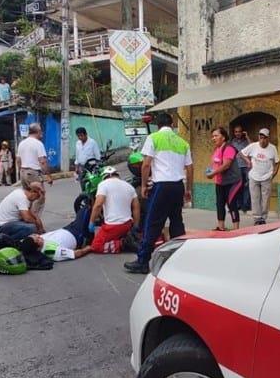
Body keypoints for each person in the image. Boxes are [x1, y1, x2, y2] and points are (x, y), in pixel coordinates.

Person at [125, 112, 193, 274]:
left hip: (161, 186)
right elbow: (190, 168)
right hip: (178, 187)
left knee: (152, 222)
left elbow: (146, 165)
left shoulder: (154, 138)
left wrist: (143, 185)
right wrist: (188, 189)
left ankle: (143, 261)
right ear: (171, 124)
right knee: (176, 222)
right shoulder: (183, 142)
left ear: (158, 125)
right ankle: (180, 257)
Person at [88, 166, 140, 254]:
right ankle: (126, 239)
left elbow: (98, 205)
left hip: (113, 226)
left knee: (96, 246)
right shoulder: (129, 186)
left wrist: (91, 222)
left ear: (104, 177)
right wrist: (135, 226)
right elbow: (136, 207)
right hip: (127, 225)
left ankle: (123, 244)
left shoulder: (103, 185)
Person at [18, 206, 93, 261]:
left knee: (80, 209)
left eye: (35, 236)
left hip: (66, 229)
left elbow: (22, 243)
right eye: (38, 239)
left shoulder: (28, 243)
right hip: (76, 234)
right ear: (38, 248)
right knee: (86, 209)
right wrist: (88, 248)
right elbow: (75, 254)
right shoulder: (51, 251)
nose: (38, 236)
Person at [240, 128, 280, 225]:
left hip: (266, 177)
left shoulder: (272, 148)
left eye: (265, 138)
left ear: (268, 138)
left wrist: (273, 174)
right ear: (259, 137)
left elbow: (277, 162)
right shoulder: (253, 146)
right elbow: (241, 153)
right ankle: (257, 218)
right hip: (254, 176)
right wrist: (248, 161)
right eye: (260, 137)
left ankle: (263, 218)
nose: (262, 140)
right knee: (255, 198)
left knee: (265, 199)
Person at [206, 127, 243, 231]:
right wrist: (209, 171)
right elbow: (214, 163)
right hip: (220, 181)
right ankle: (221, 227)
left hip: (232, 182)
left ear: (223, 137)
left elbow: (226, 165)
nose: (213, 138)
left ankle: (236, 229)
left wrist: (213, 173)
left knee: (231, 204)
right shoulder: (217, 149)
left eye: (216, 135)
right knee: (219, 204)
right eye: (212, 136)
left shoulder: (229, 148)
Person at [17, 123, 52, 216]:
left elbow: (18, 160)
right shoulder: (38, 144)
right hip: (33, 173)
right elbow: (43, 161)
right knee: (40, 197)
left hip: (23, 172)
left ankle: (25, 217)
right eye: (41, 131)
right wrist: (48, 176)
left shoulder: (22, 143)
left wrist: (21, 171)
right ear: (38, 132)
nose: (42, 133)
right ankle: (34, 220)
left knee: (28, 197)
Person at [230, 125, 251, 212]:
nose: (238, 133)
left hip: (245, 167)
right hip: (236, 167)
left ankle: (245, 206)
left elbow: (253, 146)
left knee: (246, 186)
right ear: (234, 133)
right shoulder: (232, 142)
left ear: (242, 132)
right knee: (237, 187)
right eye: (236, 132)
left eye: (239, 131)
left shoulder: (246, 141)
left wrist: (247, 136)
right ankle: (238, 204)